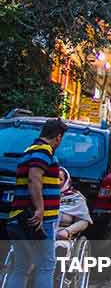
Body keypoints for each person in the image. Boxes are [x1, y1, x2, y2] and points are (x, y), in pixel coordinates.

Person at [6, 118, 68, 288]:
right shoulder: (43, 151)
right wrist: (40, 209)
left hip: (19, 216)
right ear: (58, 138)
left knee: (21, 267)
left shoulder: (29, 150)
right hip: (38, 220)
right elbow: (34, 178)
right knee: (46, 265)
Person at [56, 168, 91, 240]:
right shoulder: (42, 195)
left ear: (66, 181)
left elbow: (84, 221)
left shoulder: (76, 197)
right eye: (53, 179)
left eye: (60, 179)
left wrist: (67, 231)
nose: (56, 182)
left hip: (61, 233)